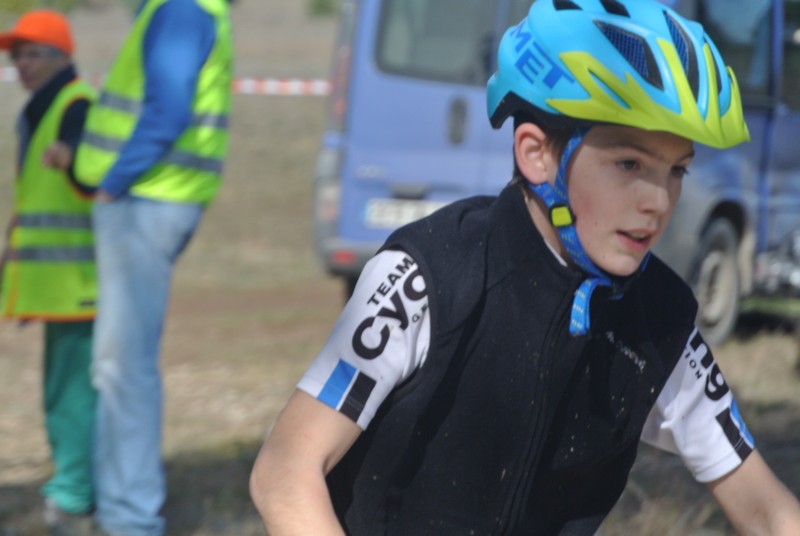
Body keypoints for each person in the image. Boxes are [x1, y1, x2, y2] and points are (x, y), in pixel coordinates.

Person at [249, 0, 800, 534]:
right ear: (536, 154)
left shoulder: (661, 321)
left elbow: (768, 511)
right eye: (629, 163)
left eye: (676, 171)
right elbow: (284, 472)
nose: (658, 200)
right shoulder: (430, 275)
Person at [71, 0, 232, 534]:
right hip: (153, 199)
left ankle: (130, 518)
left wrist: (114, 183)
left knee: (125, 366)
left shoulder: (181, 9)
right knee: (116, 363)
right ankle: (117, 506)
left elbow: (168, 109)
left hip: (145, 201)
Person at [0, 9, 97, 535]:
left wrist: (73, 157)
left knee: (73, 393)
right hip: (57, 283)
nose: (21, 64)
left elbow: (93, 175)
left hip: (79, 283)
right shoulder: (41, 109)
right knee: (63, 390)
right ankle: (74, 484)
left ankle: (75, 494)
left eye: (31, 54)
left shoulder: (74, 104)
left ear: (61, 57)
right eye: (16, 56)